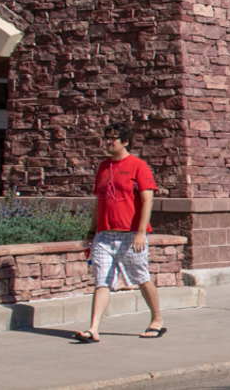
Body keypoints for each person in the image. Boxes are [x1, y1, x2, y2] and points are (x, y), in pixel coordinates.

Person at [73, 122, 164, 342]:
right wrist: (92, 231)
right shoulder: (104, 167)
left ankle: (157, 319)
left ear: (125, 141)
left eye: (112, 138)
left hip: (130, 235)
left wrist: (141, 232)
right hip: (104, 236)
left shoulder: (138, 166)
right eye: (106, 137)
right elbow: (99, 201)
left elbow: (147, 200)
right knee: (101, 280)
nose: (107, 142)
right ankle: (93, 329)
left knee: (142, 278)